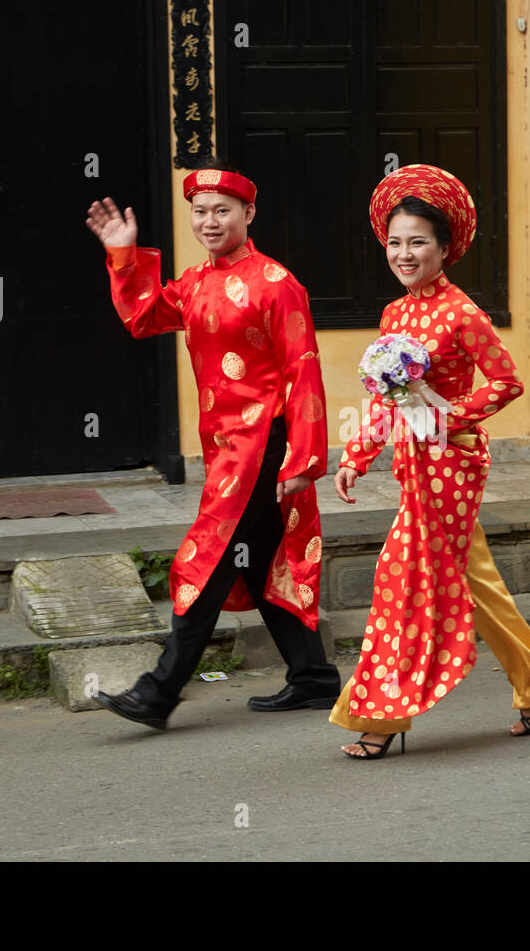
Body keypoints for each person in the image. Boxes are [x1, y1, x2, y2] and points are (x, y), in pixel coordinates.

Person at [85, 163, 340, 729]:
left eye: (222, 210)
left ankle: (159, 690)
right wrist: (124, 255)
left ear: (249, 215)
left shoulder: (277, 284)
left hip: (264, 445)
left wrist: (303, 458)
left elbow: (304, 372)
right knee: (263, 558)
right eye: (199, 211)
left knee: (210, 554)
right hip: (226, 449)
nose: (209, 221)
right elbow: (144, 317)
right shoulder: (197, 282)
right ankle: (314, 678)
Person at [329, 164, 530, 759]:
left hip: (454, 466)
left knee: (401, 576)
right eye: (396, 243)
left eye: (418, 243)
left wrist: (448, 417)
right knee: (473, 580)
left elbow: (506, 382)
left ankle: (384, 714)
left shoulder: (462, 313)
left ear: (443, 248)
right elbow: (387, 397)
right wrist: (357, 453)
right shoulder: (394, 315)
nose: (405, 254)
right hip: (415, 463)